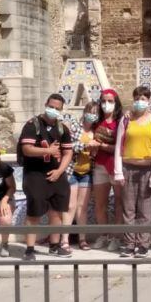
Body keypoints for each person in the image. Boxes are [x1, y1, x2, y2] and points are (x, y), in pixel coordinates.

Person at [18, 93, 74, 261]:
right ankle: (29, 249)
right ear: (46, 104)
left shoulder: (62, 128)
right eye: (51, 107)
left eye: (57, 108)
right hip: (35, 174)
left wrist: (59, 171)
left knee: (56, 212)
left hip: (56, 174)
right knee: (34, 213)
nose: (53, 110)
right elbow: (27, 149)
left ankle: (55, 246)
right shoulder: (32, 125)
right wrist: (47, 151)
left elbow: (68, 152)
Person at [113, 85, 151, 258]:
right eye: (137, 98)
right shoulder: (126, 120)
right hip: (128, 167)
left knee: (145, 209)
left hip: (148, 168)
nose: (139, 102)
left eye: (143, 99)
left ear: (148, 100)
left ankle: (143, 244)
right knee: (128, 209)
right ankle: (129, 244)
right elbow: (119, 146)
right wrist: (118, 172)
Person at [91, 89, 123, 251]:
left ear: (116, 103)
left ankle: (117, 237)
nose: (106, 104)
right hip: (99, 166)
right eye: (104, 101)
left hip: (115, 166)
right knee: (100, 204)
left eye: (110, 101)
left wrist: (102, 146)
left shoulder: (121, 122)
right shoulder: (96, 121)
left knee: (119, 202)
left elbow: (121, 147)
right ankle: (103, 235)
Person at [66, 101, 99, 250]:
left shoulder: (97, 131)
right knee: (70, 206)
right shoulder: (74, 126)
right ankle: (64, 240)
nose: (93, 115)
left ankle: (82, 239)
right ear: (85, 112)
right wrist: (85, 145)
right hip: (72, 171)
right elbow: (68, 146)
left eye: (96, 113)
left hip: (86, 172)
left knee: (82, 207)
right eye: (90, 111)